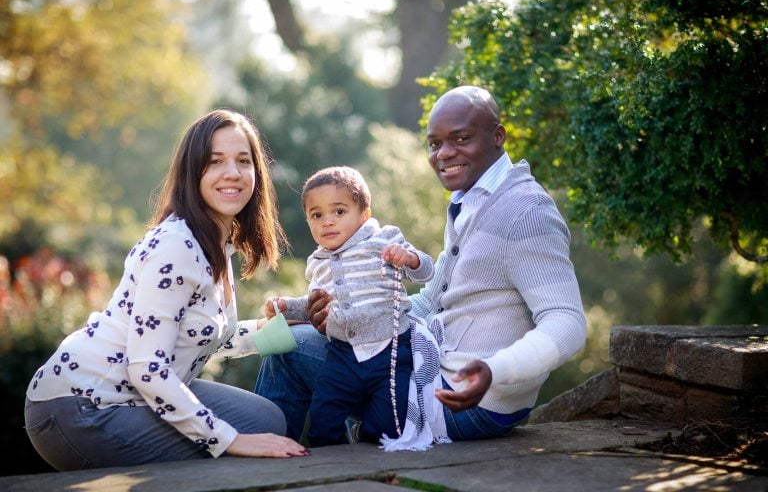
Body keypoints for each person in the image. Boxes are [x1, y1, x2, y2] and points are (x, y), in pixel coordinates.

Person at [255, 85, 587, 442]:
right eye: (434, 144)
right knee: (300, 335)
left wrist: (495, 369)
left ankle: (258, 470)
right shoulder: (473, 198)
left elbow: (567, 321)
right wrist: (341, 312)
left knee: (288, 350)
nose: (444, 154)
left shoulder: (526, 212)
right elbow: (431, 299)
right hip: (429, 364)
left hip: (459, 398)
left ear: (498, 136)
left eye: (460, 138)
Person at [24, 109, 309, 471]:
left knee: (265, 420)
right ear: (193, 173)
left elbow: (204, 335)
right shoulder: (176, 245)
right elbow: (147, 368)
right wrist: (229, 440)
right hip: (81, 407)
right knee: (235, 446)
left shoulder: (214, 244)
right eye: (215, 161)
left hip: (134, 393)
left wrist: (285, 328)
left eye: (243, 161)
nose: (233, 173)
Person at [266, 166, 448, 450]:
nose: (327, 222)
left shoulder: (383, 240)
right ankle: (327, 464)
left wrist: (410, 258)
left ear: (364, 214)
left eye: (339, 212)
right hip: (342, 354)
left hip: (389, 351)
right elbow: (317, 308)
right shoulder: (319, 262)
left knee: (389, 426)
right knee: (324, 415)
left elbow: (426, 272)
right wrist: (286, 307)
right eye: (317, 215)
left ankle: (367, 442)